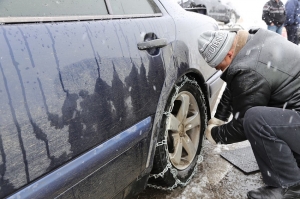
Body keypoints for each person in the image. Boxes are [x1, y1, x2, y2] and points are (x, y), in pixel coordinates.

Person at [198, 29, 300, 199]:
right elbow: (235, 81)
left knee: (255, 119)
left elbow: (242, 125)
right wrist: (219, 117)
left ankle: (289, 186)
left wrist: (216, 134)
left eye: (218, 65)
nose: (218, 69)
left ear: (229, 54)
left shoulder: (248, 68)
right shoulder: (253, 43)